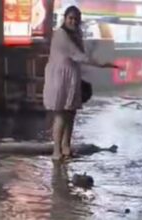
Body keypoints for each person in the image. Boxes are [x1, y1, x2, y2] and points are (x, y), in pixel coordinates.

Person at [43, 6, 119, 161]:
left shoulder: (77, 33)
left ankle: (66, 147)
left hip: (71, 76)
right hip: (59, 77)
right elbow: (78, 55)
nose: (73, 21)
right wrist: (101, 64)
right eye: (70, 18)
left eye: (76, 19)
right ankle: (56, 151)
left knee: (71, 113)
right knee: (61, 115)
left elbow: (81, 55)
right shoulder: (61, 35)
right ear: (65, 18)